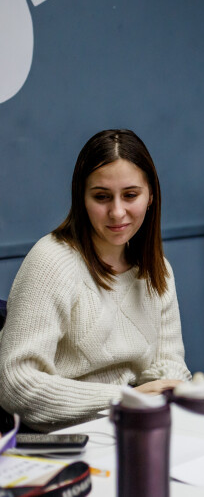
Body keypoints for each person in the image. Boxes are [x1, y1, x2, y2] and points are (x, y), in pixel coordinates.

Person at [0, 129, 191, 432]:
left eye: (130, 195)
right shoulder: (51, 261)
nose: (117, 212)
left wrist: (164, 391)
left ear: (151, 196)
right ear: (82, 198)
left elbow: (170, 365)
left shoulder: (158, 270)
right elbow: (16, 385)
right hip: (66, 437)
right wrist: (125, 399)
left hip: (134, 426)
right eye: (101, 197)